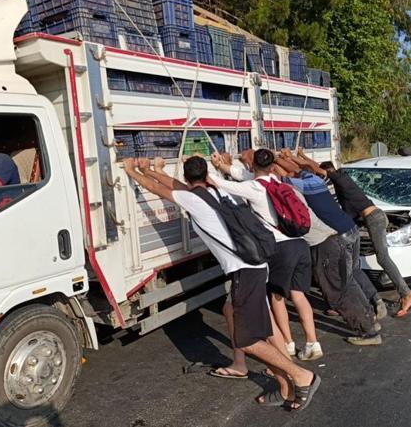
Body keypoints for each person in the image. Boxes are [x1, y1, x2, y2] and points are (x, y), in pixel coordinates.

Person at [122, 156, 321, 410]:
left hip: (244, 272)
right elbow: (173, 185)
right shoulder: (217, 193)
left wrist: (134, 171)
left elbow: (160, 189)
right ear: (205, 175)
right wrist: (152, 170)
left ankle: (302, 376)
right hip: (257, 266)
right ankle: (284, 387)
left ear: (187, 178)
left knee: (248, 339)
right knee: (260, 328)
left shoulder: (193, 199)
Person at [209, 149, 323, 361]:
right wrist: (225, 166)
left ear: (252, 166)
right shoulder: (280, 183)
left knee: (277, 298)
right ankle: (312, 343)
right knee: (298, 295)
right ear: (273, 166)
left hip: (280, 248)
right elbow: (240, 175)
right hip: (300, 245)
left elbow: (222, 185)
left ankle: (288, 344)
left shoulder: (253, 187)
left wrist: (212, 168)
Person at [273, 152, 381, 345]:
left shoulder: (299, 186)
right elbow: (297, 169)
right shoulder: (314, 180)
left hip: (331, 239)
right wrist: (286, 158)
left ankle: (368, 331)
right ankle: (369, 317)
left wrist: (271, 161)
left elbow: (280, 177)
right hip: (347, 230)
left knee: (337, 289)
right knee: (348, 281)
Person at [295, 149, 411, 317]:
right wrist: (301, 155)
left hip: (374, 218)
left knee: (383, 258)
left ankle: (407, 294)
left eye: (324, 174)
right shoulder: (339, 185)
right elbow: (315, 168)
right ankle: (377, 298)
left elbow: (315, 169)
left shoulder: (341, 177)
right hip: (372, 218)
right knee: (358, 264)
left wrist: (294, 158)